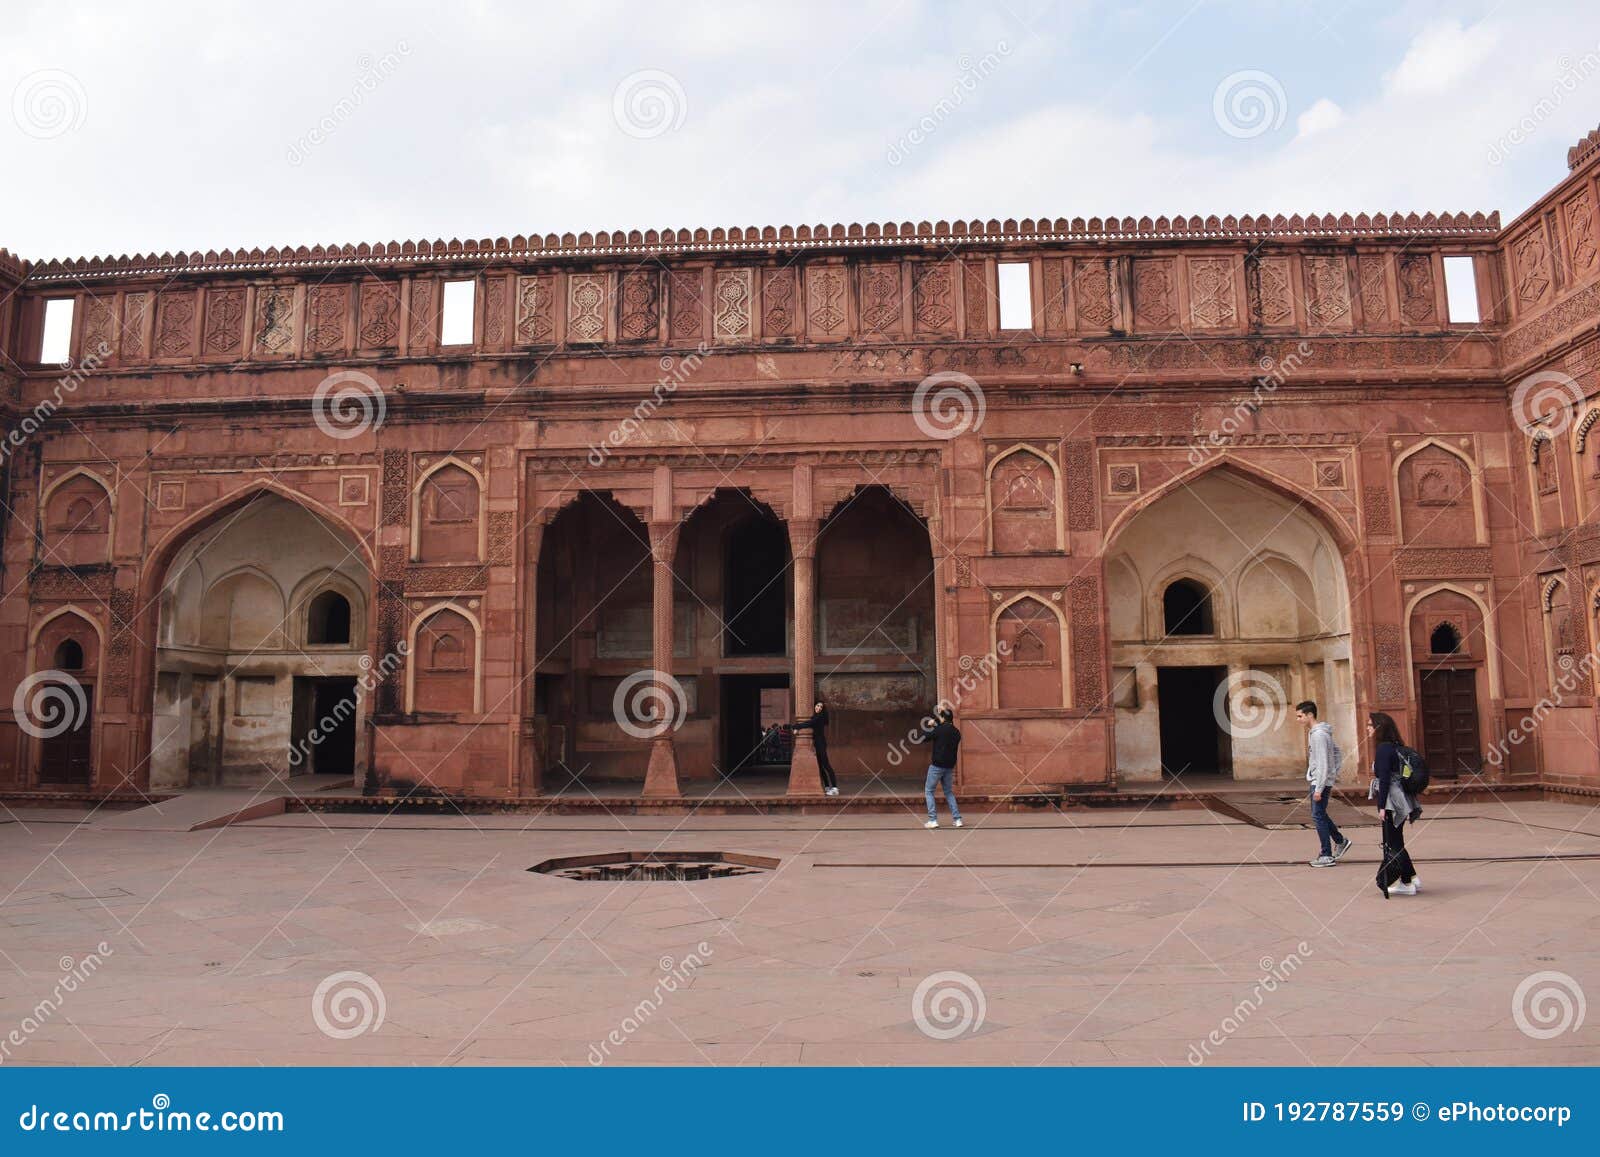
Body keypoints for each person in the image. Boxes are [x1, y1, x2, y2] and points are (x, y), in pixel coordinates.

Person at [1368, 712, 1422, 898]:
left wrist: (1382, 807)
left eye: (1370, 725)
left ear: (1378, 728)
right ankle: (1411, 877)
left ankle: (1406, 883)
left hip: (1392, 799)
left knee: (1393, 842)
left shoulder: (1383, 748)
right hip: (1402, 797)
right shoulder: (1396, 746)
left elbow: (1384, 780)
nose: (1368, 728)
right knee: (1397, 840)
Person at [1297, 700, 1350, 867]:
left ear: (1309, 715)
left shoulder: (1319, 735)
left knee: (1317, 816)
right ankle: (1340, 841)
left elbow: (1323, 762)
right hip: (1321, 779)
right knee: (1319, 814)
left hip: (1320, 782)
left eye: (1300, 716)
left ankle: (1326, 854)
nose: (1298, 720)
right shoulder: (1316, 732)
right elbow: (1336, 752)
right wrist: (1332, 774)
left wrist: (1320, 786)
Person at [917, 707, 963, 829]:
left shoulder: (939, 730)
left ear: (942, 718)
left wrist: (931, 725)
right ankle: (957, 819)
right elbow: (947, 732)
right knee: (948, 792)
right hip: (949, 766)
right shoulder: (957, 732)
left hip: (937, 766)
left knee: (929, 791)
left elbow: (924, 737)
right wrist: (938, 725)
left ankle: (933, 820)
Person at [792, 700, 838, 795]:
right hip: (817, 743)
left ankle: (834, 788)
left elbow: (808, 723)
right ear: (814, 706)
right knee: (821, 767)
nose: (819, 708)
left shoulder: (819, 717)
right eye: (818, 706)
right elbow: (809, 722)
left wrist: (795, 726)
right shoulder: (816, 717)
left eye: (821, 707)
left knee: (826, 765)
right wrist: (796, 727)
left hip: (821, 743)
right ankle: (826, 787)